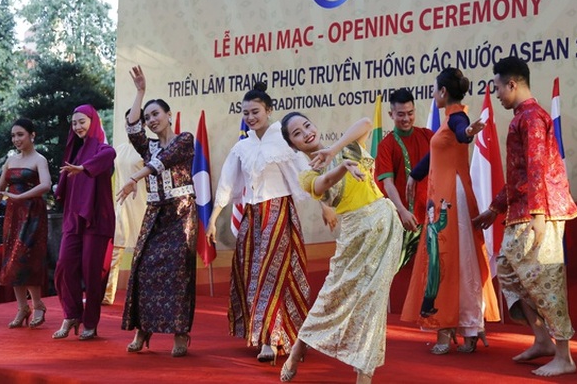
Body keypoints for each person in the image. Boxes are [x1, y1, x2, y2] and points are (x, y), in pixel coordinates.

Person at [472, 56, 577, 377]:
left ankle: (565, 356)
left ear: (512, 84)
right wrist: (494, 208)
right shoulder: (523, 117)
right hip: (522, 211)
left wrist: (538, 213)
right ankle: (543, 340)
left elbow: (537, 167)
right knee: (508, 271)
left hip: (538, 211)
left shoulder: (532, 118)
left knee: (545, 281)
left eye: (499, 88)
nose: (498, 95)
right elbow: (520, 173)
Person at [279, 113, 403, 384]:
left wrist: (334, 152)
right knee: (331, 295)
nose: (306, 133)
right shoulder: (307, 174)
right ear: (293, 145)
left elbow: (366, 123)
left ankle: (363, 374)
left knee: (374, 299)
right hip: (355, 232)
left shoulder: (346, 145)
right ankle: (298, 349)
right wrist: (342, 166)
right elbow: (323, 185)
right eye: (297, 133)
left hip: (384, 223)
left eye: (307, 125)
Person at [207, 82, 313, 363]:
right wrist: (214, 220)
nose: (250, 117)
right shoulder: (242, 147)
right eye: (245, 113)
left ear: (269, 110)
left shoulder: (285, 141)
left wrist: (326, 206)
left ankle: (278, 338)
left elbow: (305, 176)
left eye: (255, 111)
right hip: (253, 220)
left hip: (279, 215)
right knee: (254, 276)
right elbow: (227, 185)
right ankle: (269, 336)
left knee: (280, 276)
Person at [401, 67, 499, 354]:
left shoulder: (458, 117)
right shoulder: (448, 121)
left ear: (443, 92)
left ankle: (462, 326)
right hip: (442, 196)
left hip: (450, 199)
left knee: (453, 261)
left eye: (435, 89)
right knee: (444, 261)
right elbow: (435, 153)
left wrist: (468, 133)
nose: (434, 94)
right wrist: (414, 175)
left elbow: (462, 132)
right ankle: (463, 327)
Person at [119, 65, 197, 357]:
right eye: (148, 116)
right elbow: (132, 128)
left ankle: (180, 334)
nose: (151, 120)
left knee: (179, 273)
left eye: (156, 114)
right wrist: (140, 92)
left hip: (181, 213)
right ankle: (143, 329)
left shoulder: (184, 140)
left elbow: (164, 161)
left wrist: (134, 178)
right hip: (155, 213)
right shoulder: (147, 147)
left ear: (169, 115)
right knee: (144, 269)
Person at [53, 105, 116, 340]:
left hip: (96, 219)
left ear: (93, 121)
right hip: (73, 218)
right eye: (75, 123)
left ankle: (90, 322)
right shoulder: (74, 151)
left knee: (92, 272)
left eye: (82, 121)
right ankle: (72, 314)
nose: (78, 126)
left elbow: (109, 155)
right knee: (64, 265)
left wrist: (84, 168)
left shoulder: (102, 147)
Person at [0, 118, 51, 329]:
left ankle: (38, 304)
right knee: (11, 259)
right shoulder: (11, 160)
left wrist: (20, 198)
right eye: (13, 135)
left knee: (27, 258)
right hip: (13, 215)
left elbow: (46, 185)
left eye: (20, 134)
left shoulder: (39, 159)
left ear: (32, 135)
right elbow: (0, 187)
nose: (16, 139)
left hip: (33, 214)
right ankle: (22, 308)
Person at [375, 88, 434, 268]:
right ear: (391, 114)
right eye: (401, 114)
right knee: (397, 275)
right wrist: (401, 210)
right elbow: (388, 184)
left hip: (431, 219)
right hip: (404, 222)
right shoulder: (386, 145)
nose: (406, 119)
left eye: (410, 113)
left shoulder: (428, 136)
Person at [102, 110, 147, 305]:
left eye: (135, 122)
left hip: (144, 204)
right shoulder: (118, 149)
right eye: (127, 122)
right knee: (115, 252)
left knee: (143, 252)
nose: (131, 126)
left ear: (143, 124)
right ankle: (107, 294)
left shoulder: (148, 149)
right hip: (121, 205)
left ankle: (143, 295)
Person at [421, 198, 450, 318]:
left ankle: (430, 307)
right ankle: (425, 308)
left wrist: (443, 209)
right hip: (430, 258)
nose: (432, 216)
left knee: (435, 281)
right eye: (430, 213)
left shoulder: (433, 227)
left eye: (433, 213)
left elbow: (441, 224)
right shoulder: (429, 227)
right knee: (431, 282)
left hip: (435, 257)